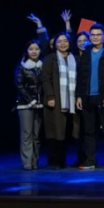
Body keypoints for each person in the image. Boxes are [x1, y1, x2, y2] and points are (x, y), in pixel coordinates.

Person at [77, 23, 104, 170]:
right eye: (93, 35)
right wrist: (79, 96)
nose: (95, 37)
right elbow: (81, 76)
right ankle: (90, 161)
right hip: (88, 97)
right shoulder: (86, 52)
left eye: (98, 35)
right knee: (89, 131)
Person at [41, 32, 81, 169]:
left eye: (65, 41)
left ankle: (77, 159)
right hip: (56, 100)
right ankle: (56, 161)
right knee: (56, 131)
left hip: (73, 101)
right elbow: (45, 79)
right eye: (60, 41)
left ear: (70, 42)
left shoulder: (75, 58)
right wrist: (50, 96)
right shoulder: (50, 58)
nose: (63, 43)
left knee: (72, 131)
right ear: (55, 44)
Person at [15, 40, 44, 170]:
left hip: (40, 105)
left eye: (36, 49)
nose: (34, 51)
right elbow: (19, 86)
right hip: (25, 105)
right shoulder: (22, 66)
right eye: (31, 49)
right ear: (27, 51)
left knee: (37, 135)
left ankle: (34, 161)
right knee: (27, 134)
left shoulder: (42, 66)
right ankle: (27, 162)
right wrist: (30, 101)